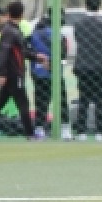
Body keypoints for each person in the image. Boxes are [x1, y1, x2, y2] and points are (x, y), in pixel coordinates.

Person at [0, 1, 39, 140]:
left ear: (8, 14)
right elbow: (3, 53)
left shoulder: (11, 29)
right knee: (23, 102)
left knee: (0, 103)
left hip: (11, 73)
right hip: (14, 74)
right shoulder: (11, 31)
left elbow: (20, 51)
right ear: (22, 14)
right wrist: (2, 73)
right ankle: (30, 134)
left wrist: (37, 57)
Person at [73, 0, 102, 142]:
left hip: (84, 65)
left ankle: (81, 131)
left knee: (83, 100)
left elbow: (78, 39)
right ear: (99, 6)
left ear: (86, 6)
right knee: (100, 100)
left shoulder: (79, 24)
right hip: (100, 65)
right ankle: (100, 131)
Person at [31, 8, 73, 141]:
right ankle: (65, 129)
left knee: (41, 101)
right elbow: (63, 56)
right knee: (61, 101)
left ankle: (40, 129)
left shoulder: (35, 34)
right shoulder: (59, 35)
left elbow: (28, 50)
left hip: (39, 72)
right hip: (54, 73)